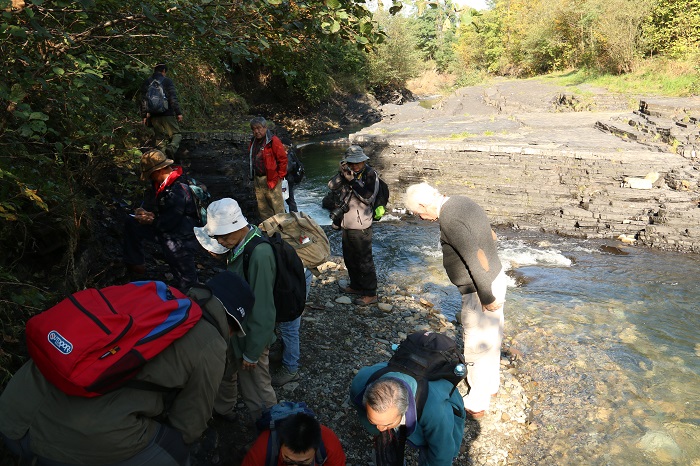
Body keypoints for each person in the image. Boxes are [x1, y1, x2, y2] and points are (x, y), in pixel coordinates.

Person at [0, 272, 255, 466]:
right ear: (233, 323)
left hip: (14, 410)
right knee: (176, 450)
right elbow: (189, 424)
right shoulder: (211, 344)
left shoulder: (153, 294)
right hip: (60, 441)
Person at [404, 182, 507, 419]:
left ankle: (476, 403)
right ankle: (490, 387)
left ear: (423, 204)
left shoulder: (449, 217)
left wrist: (486, 296)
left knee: (476, 345)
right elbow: (488, 234)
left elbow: (473, 257)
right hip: (495, 276)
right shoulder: (462, 201)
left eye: (419, 213)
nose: (421, 218)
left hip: (480, 287)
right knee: (492, 338)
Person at [193, 198, 278, 423]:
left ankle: (271, 428)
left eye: (223, 236)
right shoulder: (239, 245)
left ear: (239, 226)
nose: (220, 242)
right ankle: (227, 411)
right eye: (217, 237)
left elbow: (264, 308)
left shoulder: (259, 254)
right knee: (233, 373)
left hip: (252, 336)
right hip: (238, 328)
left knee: (257, 386)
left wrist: (253, 350)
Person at [349, 362, 466, 465]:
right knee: (386, 444)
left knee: (434, 453)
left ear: (404, 409)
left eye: (387, 424)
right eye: (373, 421)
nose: (380, 428)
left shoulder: (434, 412)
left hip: (440, 410)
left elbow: (442, 453)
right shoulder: (360, 384)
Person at [123, 149, 200, 291]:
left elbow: (169, 222)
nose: (150, 179)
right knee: (131, 223)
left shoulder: (179, 188)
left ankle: (195, 300)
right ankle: (136, 264)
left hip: (183, 237)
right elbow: (150, 202)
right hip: (166, 230)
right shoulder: (159, 183)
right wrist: (142, 211)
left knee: (187, 280)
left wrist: (150, 221)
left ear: (158, 171)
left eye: (150, 175)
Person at [328, 145, 379, 306]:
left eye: (358, 163)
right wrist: (342, 173)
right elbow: (331, 186)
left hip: (362, 226)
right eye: (352, 163)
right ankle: (356, 286)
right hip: (346, 224)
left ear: (364, 161)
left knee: (364, 260)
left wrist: (353, 182)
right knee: (350, 258)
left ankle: (371, 293)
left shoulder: (371, 175)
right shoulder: (346, 173)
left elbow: (368, 197)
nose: (355, 166)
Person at [242, 412, 346, 466]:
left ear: (317, 448)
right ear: (280, 444)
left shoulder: (329, 445)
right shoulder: (263, 448)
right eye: (288, 461)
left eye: (304, 463)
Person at [271, 267, 313, 387]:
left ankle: (290, 368)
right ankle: (283, 353)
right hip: (299, 272)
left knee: (289, 326)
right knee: (286, 322)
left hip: (293, 276)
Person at [140, 63, 183, 159]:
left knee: (159, 138)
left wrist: (144, 115)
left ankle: (164, 160)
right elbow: (173, 98)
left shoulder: (147, 81)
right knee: (176, 134)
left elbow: (143, 100)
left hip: (153, 114)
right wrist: (178, 113)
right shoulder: (167, 81)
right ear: (163, 71)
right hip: (167, 113)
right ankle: (171, 149)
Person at [249, 117, 288, 221]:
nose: (256, 131)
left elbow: (283, 159)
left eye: (259, 128)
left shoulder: (273, 141)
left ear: (265, 127)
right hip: (258, 179)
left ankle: (283, 232)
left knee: (277, 207)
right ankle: (270, 232)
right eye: (254, 129)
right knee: (263, 208)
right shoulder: (253, 141)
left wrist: (279, 176)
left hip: (272, 179)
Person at [281, 136, 301, 213]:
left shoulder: (287, 154)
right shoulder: (291, 153)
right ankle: (294, 215)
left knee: (288, 200)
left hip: (286, 180)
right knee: (289, 199)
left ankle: (294, 216)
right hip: (289, 179)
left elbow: (286, 169)